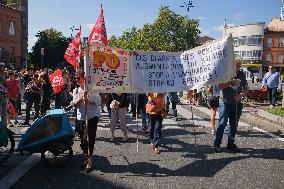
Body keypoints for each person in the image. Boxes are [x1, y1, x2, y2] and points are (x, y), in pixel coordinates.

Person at [214, 60, 249, 153]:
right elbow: (219, 86)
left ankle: (231, 143)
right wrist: (230, 82)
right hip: (225, 102)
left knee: (234, 125)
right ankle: (217, 143)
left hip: (237, 104)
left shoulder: (242, 74)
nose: (238, 68)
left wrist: (241, 95)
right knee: (222, 124)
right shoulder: (225, 73)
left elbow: (246, 87)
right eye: (236, 66)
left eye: (239, 66)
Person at [71, 73, 101, 173]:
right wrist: (81, 98)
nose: (76, 80)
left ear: (84, 78)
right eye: (75, 79)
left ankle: (90, 161)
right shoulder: (76, 90)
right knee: (83, 140)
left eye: (78, 78)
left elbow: (98, 102)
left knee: (89, 139)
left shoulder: (92, 89)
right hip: (81, 117)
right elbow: (75, 105)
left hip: (91, 117)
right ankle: (86, 157)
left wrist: (89, 99)